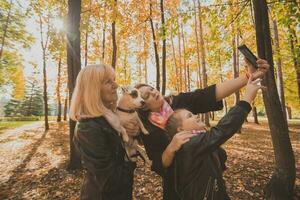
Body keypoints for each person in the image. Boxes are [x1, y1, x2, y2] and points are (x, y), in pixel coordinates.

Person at [136, 59, 269, 200]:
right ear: (142, 105)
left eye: (151, 88)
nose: (153, 92)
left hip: (210, 179)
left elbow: (209, 94)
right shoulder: (148, 130)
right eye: (147, 95)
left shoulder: (178, 101)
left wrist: (249, 76)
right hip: (178, 189)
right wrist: (171, 148)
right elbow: (157, 165)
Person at [164, 75, 262, 200]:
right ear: (180, 130)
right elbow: (221, 131)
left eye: (193, 114)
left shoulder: (198, 141)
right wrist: (246, 100)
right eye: (189, 116)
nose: (195, 116)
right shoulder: (189, 144)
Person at [69, 64, 136, 200]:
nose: (116, 85)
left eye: (114, 79)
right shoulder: (88, 128)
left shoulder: (110, 119)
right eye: (108, 82)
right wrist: (130, 161)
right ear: (93, 89)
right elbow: (109, 180)